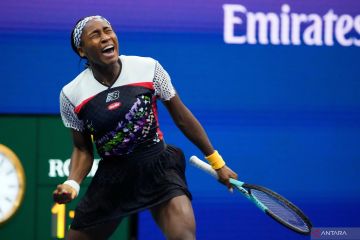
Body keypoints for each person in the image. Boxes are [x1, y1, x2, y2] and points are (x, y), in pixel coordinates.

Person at [53, 15, 238, 240]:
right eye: (95, 35)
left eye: (108, 30)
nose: (105, 37)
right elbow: (82, 149)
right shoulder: (71, 94)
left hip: (158, 168)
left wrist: (218, 163)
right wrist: (72, 183)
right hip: (112, 179)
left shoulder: (149, 68)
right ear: (82, 51)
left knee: (184, 237)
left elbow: (182, 118)